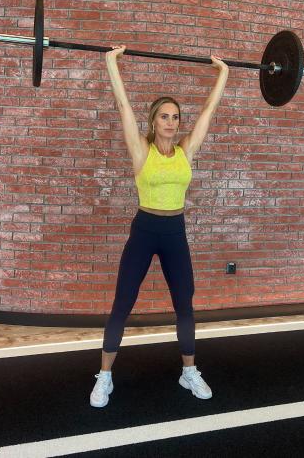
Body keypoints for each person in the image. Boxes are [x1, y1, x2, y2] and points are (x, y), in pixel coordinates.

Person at [89, 46, 228, 407]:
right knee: (122, 303)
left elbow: (209, 114)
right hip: (145, 230)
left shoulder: (185, 150)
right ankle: (104, 377)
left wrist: (223, 74)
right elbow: (122, 107)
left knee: (185, 304)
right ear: (153, 121)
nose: (171, 122)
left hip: (175, 233)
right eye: (164, 116)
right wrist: (110, 63)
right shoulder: (141, 150)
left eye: (176, 117)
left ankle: (189, 372)